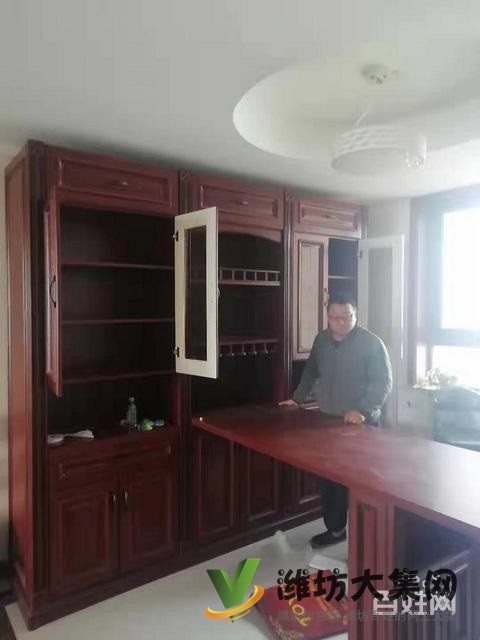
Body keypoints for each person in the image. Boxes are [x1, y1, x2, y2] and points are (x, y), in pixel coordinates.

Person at [279, 293, 392, 547]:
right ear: (327, 316)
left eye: (346, 318)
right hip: (327, 423)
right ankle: (336, 530)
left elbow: (383, 383)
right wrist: (297, 399)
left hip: (361, 426)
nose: (339, 323)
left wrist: (362, 410)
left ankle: (368, 542)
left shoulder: (371, 344)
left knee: (361, 484)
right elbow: (310, 372)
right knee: (329, 481)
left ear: (356, 315)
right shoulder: (322, 340)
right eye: (334, 318)